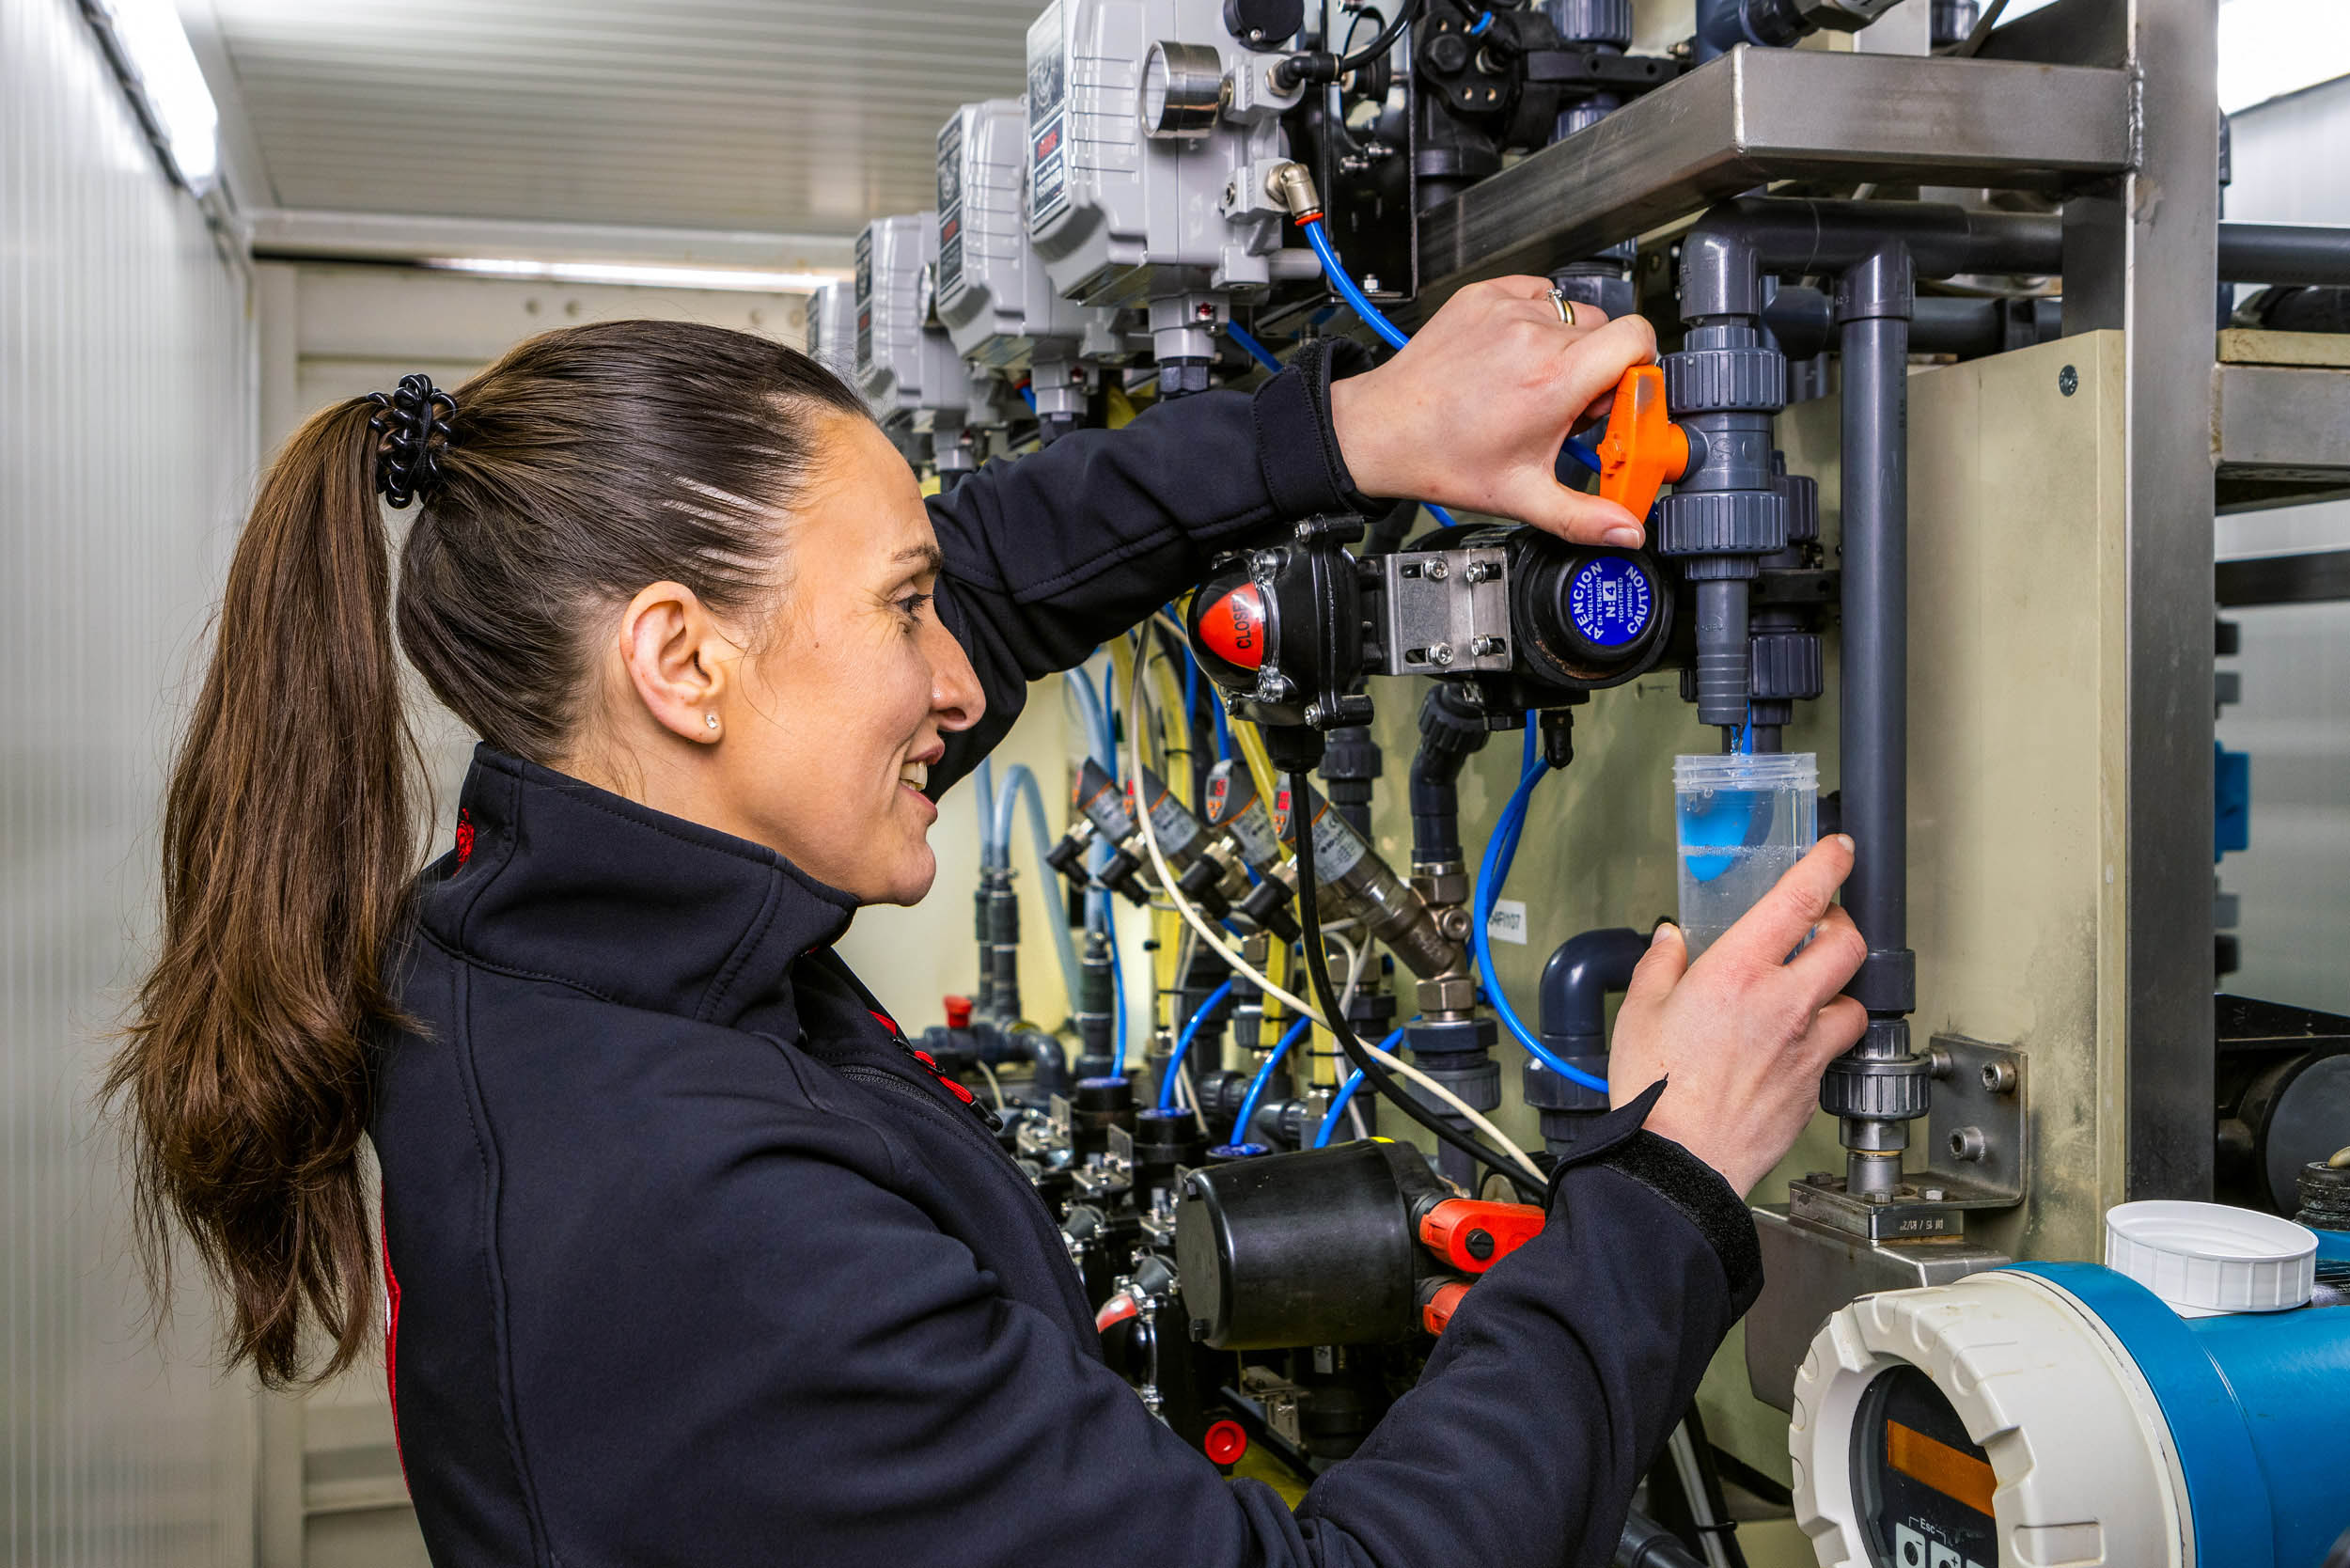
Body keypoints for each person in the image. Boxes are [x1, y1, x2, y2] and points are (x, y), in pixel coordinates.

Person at [115, 283, 1869, 1567]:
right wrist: (1668, 1193)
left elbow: (996, 577)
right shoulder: (699, 1221)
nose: (962, 682)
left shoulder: (550, 929)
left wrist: (1350, 432)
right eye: (900, 613)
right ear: (679, 660)